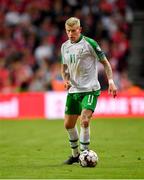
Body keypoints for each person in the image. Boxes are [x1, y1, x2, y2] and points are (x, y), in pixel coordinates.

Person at [61, 17, 117, 165]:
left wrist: (111, 82)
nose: (71, 34)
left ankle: (84, 154)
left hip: (90, 89)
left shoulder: (90, 44)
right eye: (68, 31)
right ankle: (75, 155)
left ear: (80, 30)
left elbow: (105, 63)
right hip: (74, 90)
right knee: (68, 125)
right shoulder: (64, 47)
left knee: (84, 120)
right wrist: (65, 79)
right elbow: (64, 68)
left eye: (73, 31)